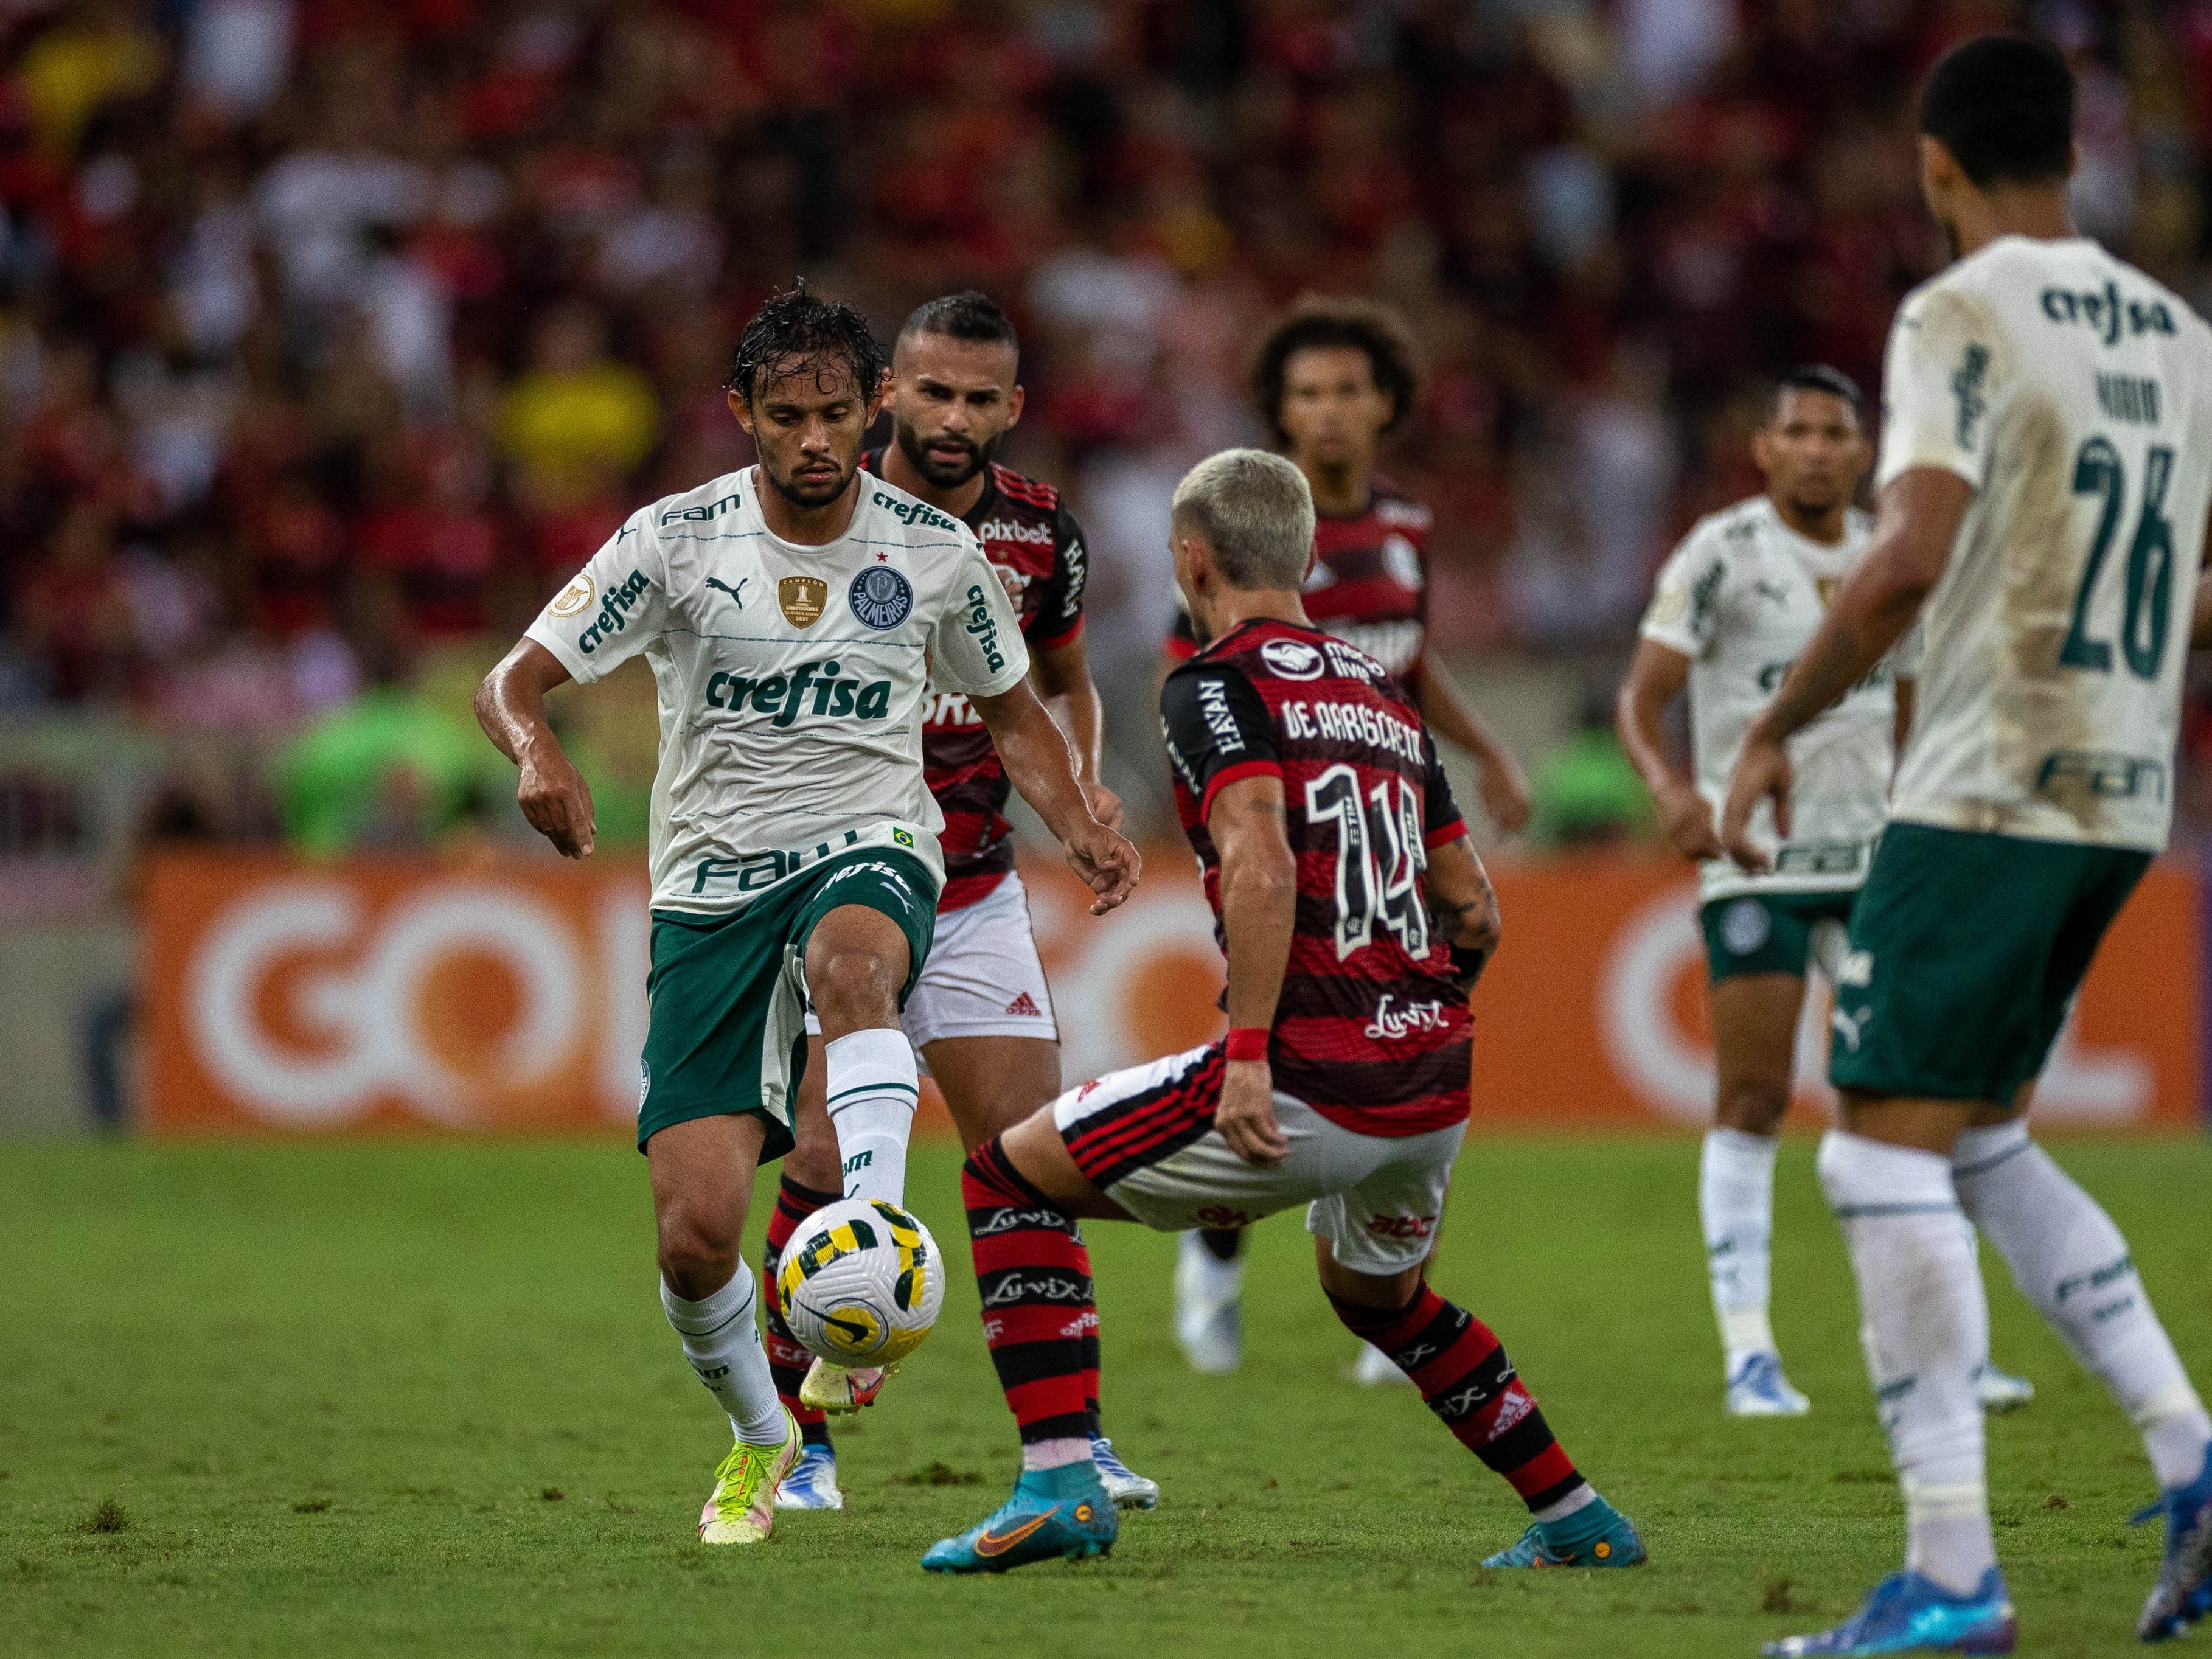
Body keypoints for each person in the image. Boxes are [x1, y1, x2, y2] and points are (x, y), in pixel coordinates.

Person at [475, 287, 1139, 1548]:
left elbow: (1013, 712)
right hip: (712, 885)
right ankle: (764, 1432)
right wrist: (535, 751)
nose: (819, 439)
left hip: (876, 840)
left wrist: (1083, 819)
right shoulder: (674, 540)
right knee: (692, 1235)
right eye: (789, 417)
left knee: (855, 966)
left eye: (839, 412)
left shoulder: (936, 555)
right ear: (744, 416)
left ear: (869, 403)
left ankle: (871, 1245)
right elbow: (513, 676)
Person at [919, 448, 1643, 1574]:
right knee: (1383, 1300)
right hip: (1431, 1077)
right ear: (1308, 557)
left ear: (1189, 563)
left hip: (1305, 1070)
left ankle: (1060, 1480)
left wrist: (1250, 1055)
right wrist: (1416, 1022)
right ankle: (1576, 1518)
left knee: (1006, 1177)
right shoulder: (1383, 699)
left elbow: (1259, 861)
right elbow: (1473, 909)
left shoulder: (1213, 684)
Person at [1721, 38, 2212, 1654]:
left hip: (1986, 783)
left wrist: (1778, 724)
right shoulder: (2174, 334)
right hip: (2119, 794)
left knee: (1872, 1151)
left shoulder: (1955, 312)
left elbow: (1901, 558)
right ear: (2067, 158)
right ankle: (2191, 1460)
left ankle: (1948, 1578)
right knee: (1978, 1134)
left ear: (1935, 168)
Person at [756, 290, 1155, 1513]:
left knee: (1031, 1159)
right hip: (833, 880)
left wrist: (1082, 800)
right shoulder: (809, 517)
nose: (953, 416)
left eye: (981, 397)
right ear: (889, 395)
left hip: (975, 886)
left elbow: (1064, 683)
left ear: (1014, 408)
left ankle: (1068, 1439)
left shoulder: (1045, 535)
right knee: (826, 1150)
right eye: (931, 390)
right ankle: (796, 1436)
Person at [1618, 366, 2033, 1421]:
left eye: (1833, 432)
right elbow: (1644, 695)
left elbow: (1913, 714)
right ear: (1764, 447)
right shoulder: (1721, 552)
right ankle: (1750, 1350)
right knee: (1754, 1098)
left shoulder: (1893, 558)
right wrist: (1672, 788)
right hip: (1757, 863)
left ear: (1864, 451)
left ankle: (1940, 1344)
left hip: (1880, 867)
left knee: (1917, 1097)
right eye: (1794, 429)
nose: (1813, 447)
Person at [1166, 296, 1532, 1384]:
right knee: (1277, 1037)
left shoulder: (1406, 530)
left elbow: (1408, 670)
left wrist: (1488, 753)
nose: (1327, 412)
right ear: (1280, 409)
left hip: (1387, 810)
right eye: (1307, 394)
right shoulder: (1252, 528)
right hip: (1285, 809)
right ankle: (1217, 1256)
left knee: (1406, 1026)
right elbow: (1192, 658)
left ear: (1384, 405)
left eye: (1346, 391)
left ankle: (1389, 1268)